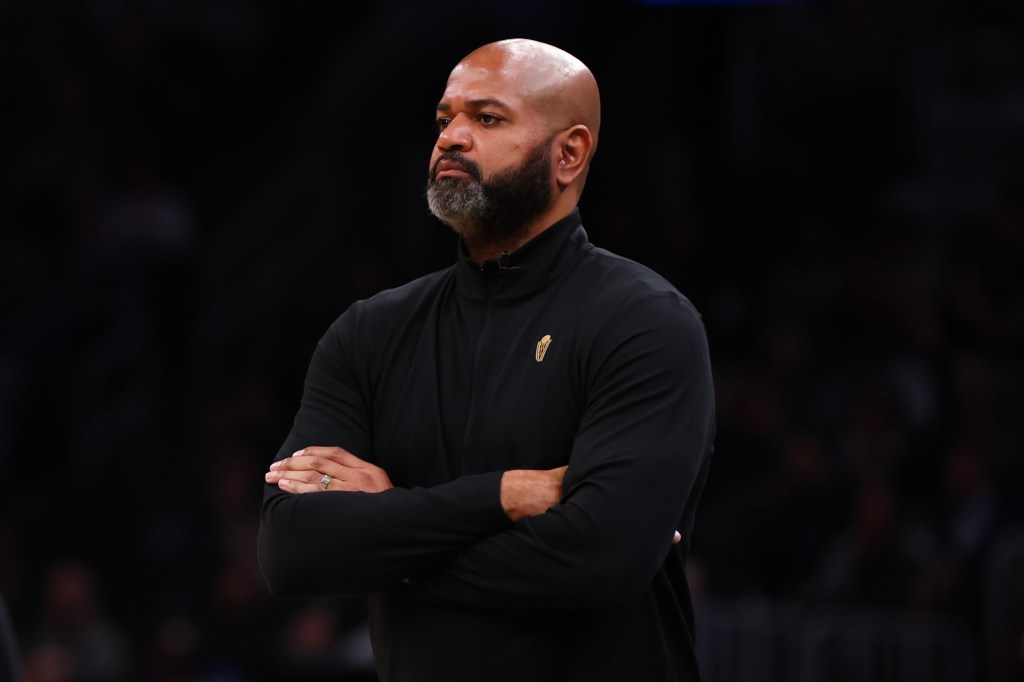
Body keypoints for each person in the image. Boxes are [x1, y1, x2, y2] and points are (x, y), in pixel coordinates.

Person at [259, 38, 716, 682]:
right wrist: (505, 495)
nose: (451, 137)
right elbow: (291, 551)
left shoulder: (645, 322)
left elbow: (602, 558)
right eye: (445, 119)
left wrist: (391, 536)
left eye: (488, 118)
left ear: (569, 153)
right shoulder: (369, 332)